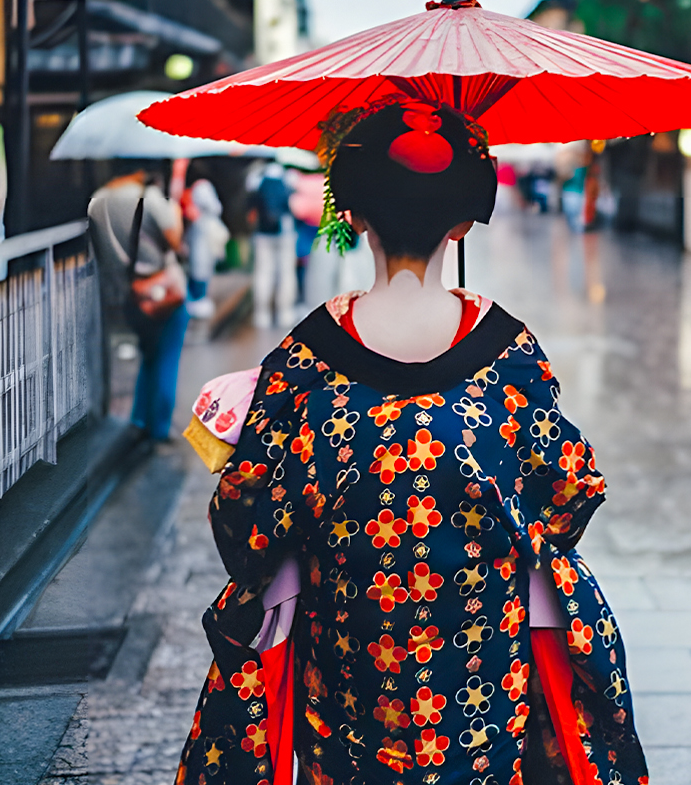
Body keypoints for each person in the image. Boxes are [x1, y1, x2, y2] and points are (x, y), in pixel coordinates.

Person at [175, 99, 646, 785]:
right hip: (482, 678)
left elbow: (242, 522)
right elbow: (570, 497)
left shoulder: (305, 361)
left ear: (352, 214)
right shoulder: (509, 357)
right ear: (464, 220)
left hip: (345, 674)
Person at [87, 162, 189, 441]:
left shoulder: (97, 201)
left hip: (125, 294)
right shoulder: (150, 198)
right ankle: (158, 429)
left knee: (148, 354)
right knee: (165, 358)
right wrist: (176, 209)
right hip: (160, 291)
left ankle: (139, 418)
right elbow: (176, 242)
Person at [249, 161, 298, 329]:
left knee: (263, 272)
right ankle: (284, 312)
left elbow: (251, 207)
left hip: (262, 233)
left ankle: (262, 314)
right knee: (286, 273)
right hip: (285, 232)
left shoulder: (257, 179)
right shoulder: (288, 178)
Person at [184, 174, 227, 320]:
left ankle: (198, 300)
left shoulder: (195, 191)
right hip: (201, 240)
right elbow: (215, 207)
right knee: (199, 269)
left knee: (201, 269)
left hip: (202, 239)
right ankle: (197, 300)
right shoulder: (201, 188)